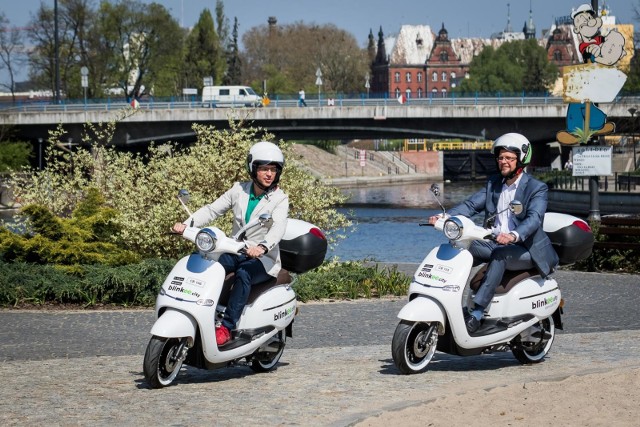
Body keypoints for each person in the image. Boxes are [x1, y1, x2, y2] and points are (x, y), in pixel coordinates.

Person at [429, 133, 559, 333]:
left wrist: (513, 235)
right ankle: (447, 300)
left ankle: (478, 313)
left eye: (509, 158)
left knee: (500, 255)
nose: (503, 162)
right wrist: (444, 217)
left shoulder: (536, 188)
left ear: (521, 159)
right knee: (462, 248)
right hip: (495, 242)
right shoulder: (494, 184)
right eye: (501, 158)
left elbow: (534, 219)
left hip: (526, 249)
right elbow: (471, 205)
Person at [172, 141, 289, 345]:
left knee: (244, 274)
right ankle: (198, 310)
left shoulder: (280, 199)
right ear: (253, 169)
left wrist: (261, 247)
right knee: (210, 265)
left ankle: (227, 327)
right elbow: (212, 210)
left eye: (273, 170)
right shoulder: (239, 190)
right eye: (263, 169)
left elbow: (278, 228)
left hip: (264, 259)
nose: (269, 174)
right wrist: (186, 224)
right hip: (235, 250)